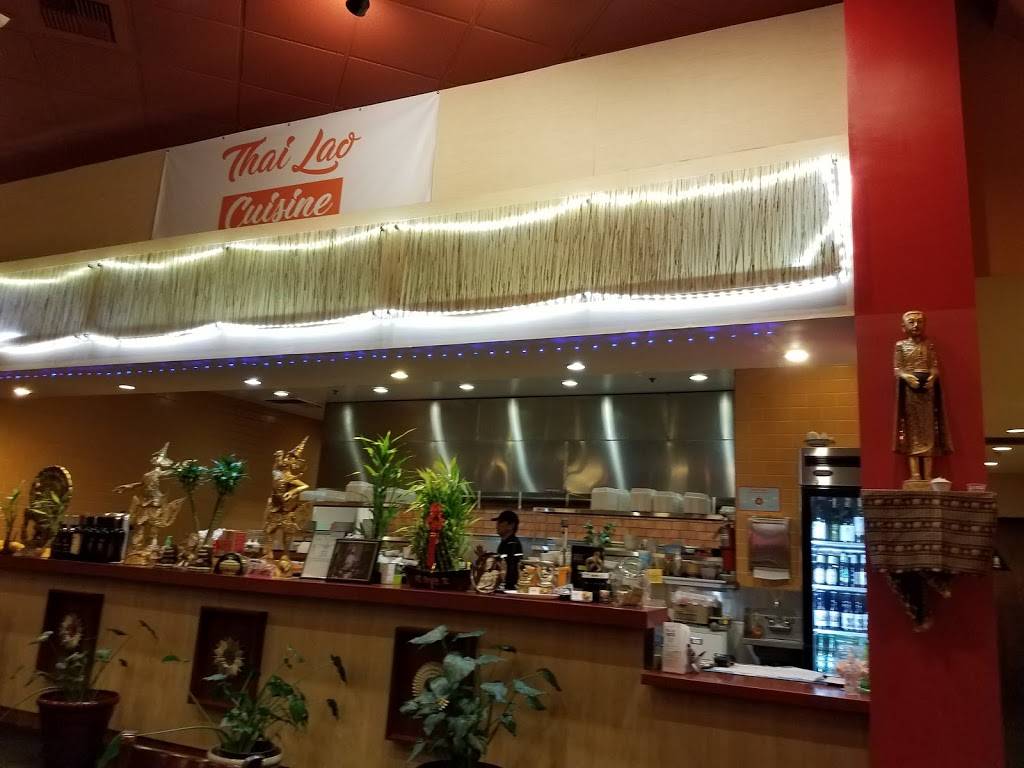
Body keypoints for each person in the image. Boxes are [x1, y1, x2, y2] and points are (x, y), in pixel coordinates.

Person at [494, 510, 523, 591]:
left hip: (509, 589)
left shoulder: (512, 543)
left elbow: (510, 568)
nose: (496, 526)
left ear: (511, 526)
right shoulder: (505, 542)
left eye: (500, 522)